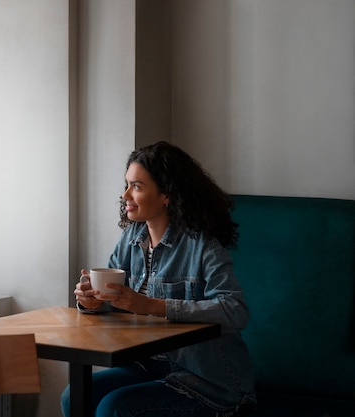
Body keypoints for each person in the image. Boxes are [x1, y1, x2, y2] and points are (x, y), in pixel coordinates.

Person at [61, 141, 256, 417]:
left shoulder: (201, 245)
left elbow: (235, 311)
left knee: (114, 409)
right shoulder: (131, 238)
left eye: (137, 186)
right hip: (147, 366)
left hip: (207, 382)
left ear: (166, 195)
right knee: (75, 396)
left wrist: (153, 306)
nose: (125, 194)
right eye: (127, 184)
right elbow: (116, 302)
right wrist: (92, 302)